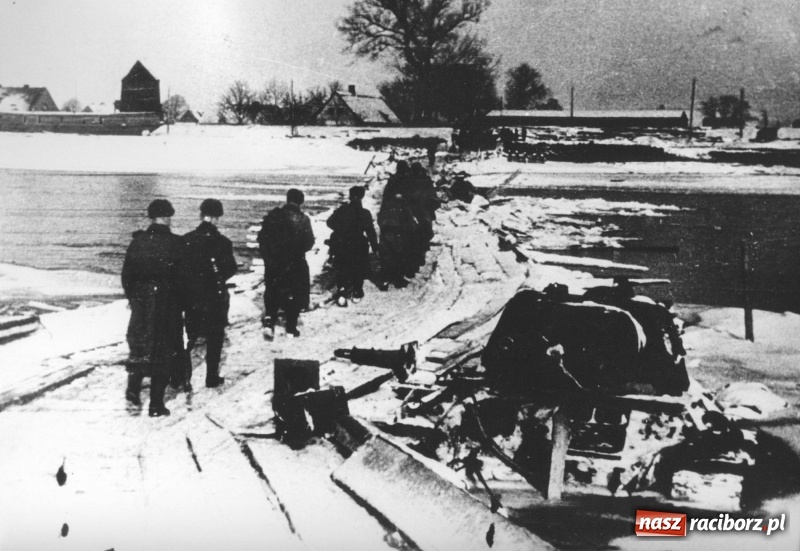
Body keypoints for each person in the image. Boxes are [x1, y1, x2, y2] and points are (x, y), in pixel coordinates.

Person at [121, 199, 185, 417]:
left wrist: (135, 298)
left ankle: (133, 389)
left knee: (139, 347)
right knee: (164, 352)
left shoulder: (137, 242)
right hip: (168, 305)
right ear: (168, 217)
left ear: (151, 217)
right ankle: (156, 404)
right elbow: (184, 279)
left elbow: (126, 276)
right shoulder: (177, 243)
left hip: (142, 303)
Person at [182, 199, 238, 388]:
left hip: (192, 297)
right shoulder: (223, 242)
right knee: (215, 338)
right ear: (217, 218)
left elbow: (179, 270)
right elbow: (230, 269)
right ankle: (211, 377)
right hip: (215, 297)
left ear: (201, 215)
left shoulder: (186, 239)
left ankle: (183, 378)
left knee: (189, 339)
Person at [257, 189, 315, 339]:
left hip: (273, 262)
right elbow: (309, 242)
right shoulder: (303, 219)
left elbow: (262, 239)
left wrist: (268, 258)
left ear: (287, 199)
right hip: (294, 263)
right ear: (300, 202)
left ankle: (269, 322)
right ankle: (290, 328)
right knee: (294, 293)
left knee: (272, 290)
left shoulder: (272, 216)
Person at [326, 186, 379, 306]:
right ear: (362, 197)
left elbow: (330, 222)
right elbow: (370, 232)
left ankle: (342, 290)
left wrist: (341, 230)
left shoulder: (342, 210)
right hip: (358, 243)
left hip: (342, 243)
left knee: (342, 267)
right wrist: (375, 247)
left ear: (350, 196)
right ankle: (357, 291)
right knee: (358, 268)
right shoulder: (365, 213)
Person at [377, 161, 416, 289]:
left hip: (387, 219)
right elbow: (408, 203)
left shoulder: (392, 182)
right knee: (400, 250)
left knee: (387, 251)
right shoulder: (405, 182)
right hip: (399, 221)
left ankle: (385, 279)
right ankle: (397, 278)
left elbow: (384, 201)